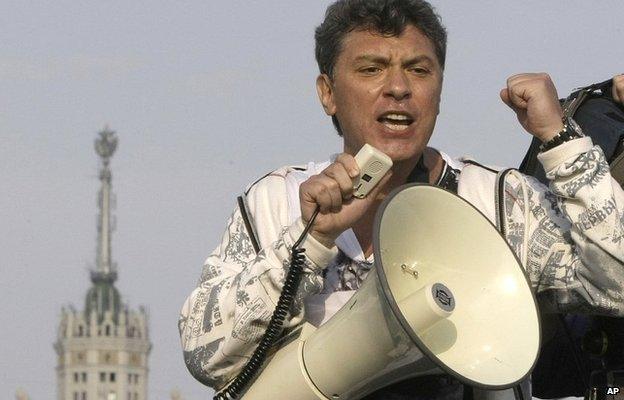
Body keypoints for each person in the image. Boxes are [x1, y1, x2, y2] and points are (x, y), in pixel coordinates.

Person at [178, 0, 624, 398]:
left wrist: (561, 140)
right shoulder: (275, 203)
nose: (398, 88)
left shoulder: (499, 204)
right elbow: (206, 356)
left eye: (419, 69)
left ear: (439, 89)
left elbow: (617, 289)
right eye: (371, 69)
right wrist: (310, 242)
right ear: (327, 93)